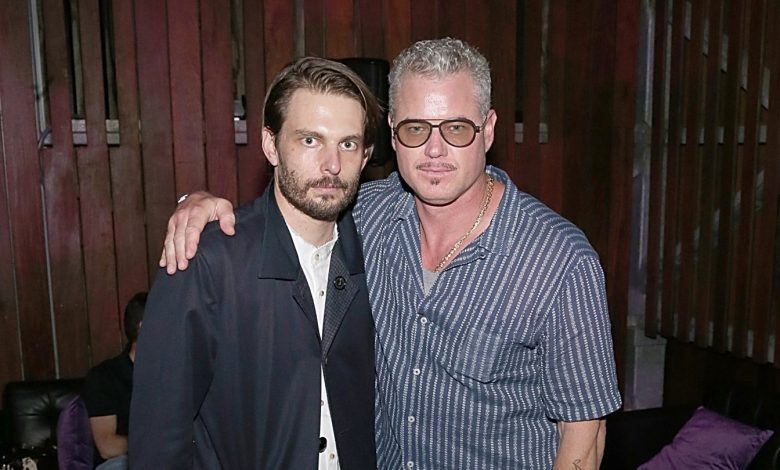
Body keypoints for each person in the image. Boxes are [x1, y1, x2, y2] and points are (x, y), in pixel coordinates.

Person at [163, 38, 622, 469]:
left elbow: (585, 433)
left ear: (488, 130)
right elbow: (294, 201)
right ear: (392, 135)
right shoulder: (368, 214)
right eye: (416, 128)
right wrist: (197, 203)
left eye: (457, 128)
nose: (435, 149)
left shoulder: (559, 259)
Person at [129, 57, 381, 469]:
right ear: (271, 145)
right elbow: (159, 440)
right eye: (310, 140)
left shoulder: (379, 251)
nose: (332, 165)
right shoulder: (208, 260)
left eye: (348, 144)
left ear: (366, 155)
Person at [82, 291, 147, 470]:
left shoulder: (176, 372)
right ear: (143, 328)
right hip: (122, 461)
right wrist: (158, 443)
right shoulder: (104, 377)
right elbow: (107, 446)